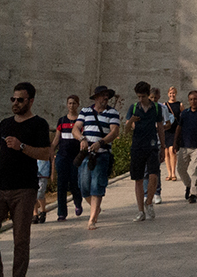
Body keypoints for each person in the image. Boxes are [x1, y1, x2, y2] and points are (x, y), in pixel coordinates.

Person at [0, 81, 52, 277]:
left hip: (24, 189)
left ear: (31, 101)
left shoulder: (38, 124)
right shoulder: (5, 124)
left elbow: (46, 154)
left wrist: (21, 146)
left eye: (20, 100)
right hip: (0, 188)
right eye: (13, 99)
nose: (15, 103)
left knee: (21, 238)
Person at [73, 86, 120, 229]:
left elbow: (115, 131)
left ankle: (92, 219)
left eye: (107, 95)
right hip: (86, 154)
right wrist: (81, 139)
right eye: (103, 95)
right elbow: (75, 128)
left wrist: (101, 142)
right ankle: (95, 208)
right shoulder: (86, 111)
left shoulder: (112, 113)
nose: (105, 98)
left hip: (102, 154)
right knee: (83, 186)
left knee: (96, 186)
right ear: (96, 98)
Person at [125, 81, 165, 222]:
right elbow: (126, 130)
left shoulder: (156, 108)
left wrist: (163, 147)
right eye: (138, 96)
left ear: (149, 95)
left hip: (152, 145)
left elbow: (160, 127)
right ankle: (140, 210)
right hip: (137, 146)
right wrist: (131, 121)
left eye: (143, 96)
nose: (140, 99)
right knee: (138, 179)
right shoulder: (134, 107)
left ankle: (149, 202)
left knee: (154, 175)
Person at [175, 91, 197, 201]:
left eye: (195, 99)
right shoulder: (184, 113)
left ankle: (193, 194)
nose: (193, 101)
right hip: (184, 145)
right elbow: (179, 128)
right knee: (180, 169)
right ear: (188, 100)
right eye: (191, 99)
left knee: (195, 170)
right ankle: (189, 185)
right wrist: (176, 142)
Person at [54, 95, 82, 220]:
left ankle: (77, 202)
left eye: (74, 103)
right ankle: (61, 213)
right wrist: (50, 149)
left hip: (75, 157)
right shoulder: (62, 121)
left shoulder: (81, 121)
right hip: (62, 156)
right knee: (61, 184)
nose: (71, 106)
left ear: (78, 105)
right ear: (67, 105)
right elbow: (56, 138)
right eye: (69, 103)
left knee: (74, 182)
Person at [162, 86, 182, 181]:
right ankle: (169, 173)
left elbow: (182, 117)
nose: (172, 95)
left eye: (173, 93)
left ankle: (173, 173)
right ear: (168, 94)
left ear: (176, 93)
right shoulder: (164, 105)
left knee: (172, 150)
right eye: (170, 93)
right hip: (166, 129)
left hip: (175, 130)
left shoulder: (180, 104)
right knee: (166, 152)